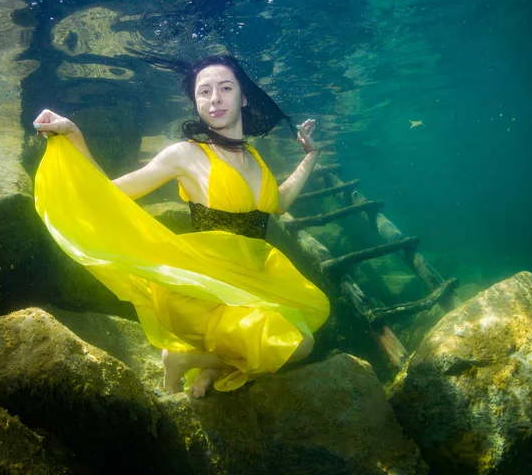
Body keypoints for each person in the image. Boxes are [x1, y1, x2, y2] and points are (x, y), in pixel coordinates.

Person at [33, 55, 330, 398]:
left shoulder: (255, 159)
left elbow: (278, 201)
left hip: (251, 289)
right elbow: (107, 194)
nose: (215, 98)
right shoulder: (184, 155)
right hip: (201, 293)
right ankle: (185, 358)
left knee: (302, 323)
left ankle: (208, 365)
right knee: (300, 345)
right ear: (196, 103)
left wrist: (311, 157)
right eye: (204, 92)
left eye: (225, 88)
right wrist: (74, 135)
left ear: (243, 97)